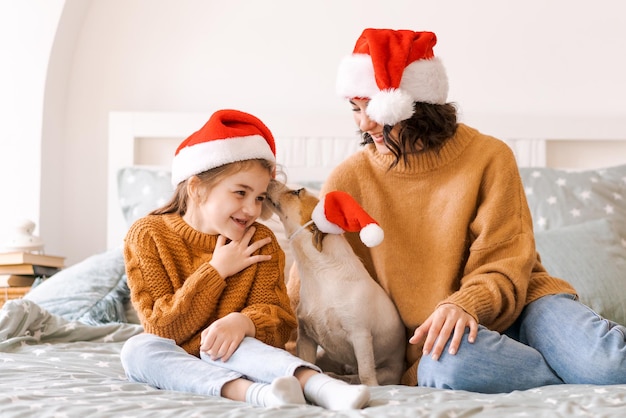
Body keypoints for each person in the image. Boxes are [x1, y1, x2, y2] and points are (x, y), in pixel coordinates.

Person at [319, 28, 626, 392]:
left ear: (418, 106)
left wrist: (465, 303)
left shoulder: (489, 157)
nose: (364, 123)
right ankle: (569, 371)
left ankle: (580, 367)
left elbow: (505, 260)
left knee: (606, 365)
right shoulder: (348, 181)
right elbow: (319, 280)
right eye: (356, 108)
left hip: (525, 306)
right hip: (444, 341)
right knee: (446, 369)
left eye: (374, 108)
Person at [120, 109, 370, 410]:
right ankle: (257, 394)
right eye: (240, 193)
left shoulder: (259, 240)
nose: (251, 209)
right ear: (197, 189)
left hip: (240, 354)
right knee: (137, 350)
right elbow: (161, 328)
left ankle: (320, 386)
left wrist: (244, 323)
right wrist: (216, 271)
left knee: (239, 346)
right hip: (182, 361)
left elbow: (280, 326)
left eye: (260, 197)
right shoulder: (148, 235)